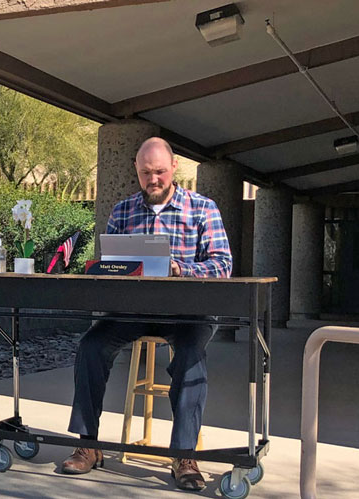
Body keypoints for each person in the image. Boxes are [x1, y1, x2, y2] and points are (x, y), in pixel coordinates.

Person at [59, 137, 232, 491]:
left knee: (190, 356)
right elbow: (110, 265)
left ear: (174, 170)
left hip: (189, 313)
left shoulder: (202, 208)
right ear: (136, 172)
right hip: (133, 310)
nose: (153, 180)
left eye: (159, 172)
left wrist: (180, 269)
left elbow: (223, 265)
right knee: (91, 346)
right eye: (145, 173)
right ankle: (88, 443)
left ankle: (184, 455)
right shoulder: (123, 211)